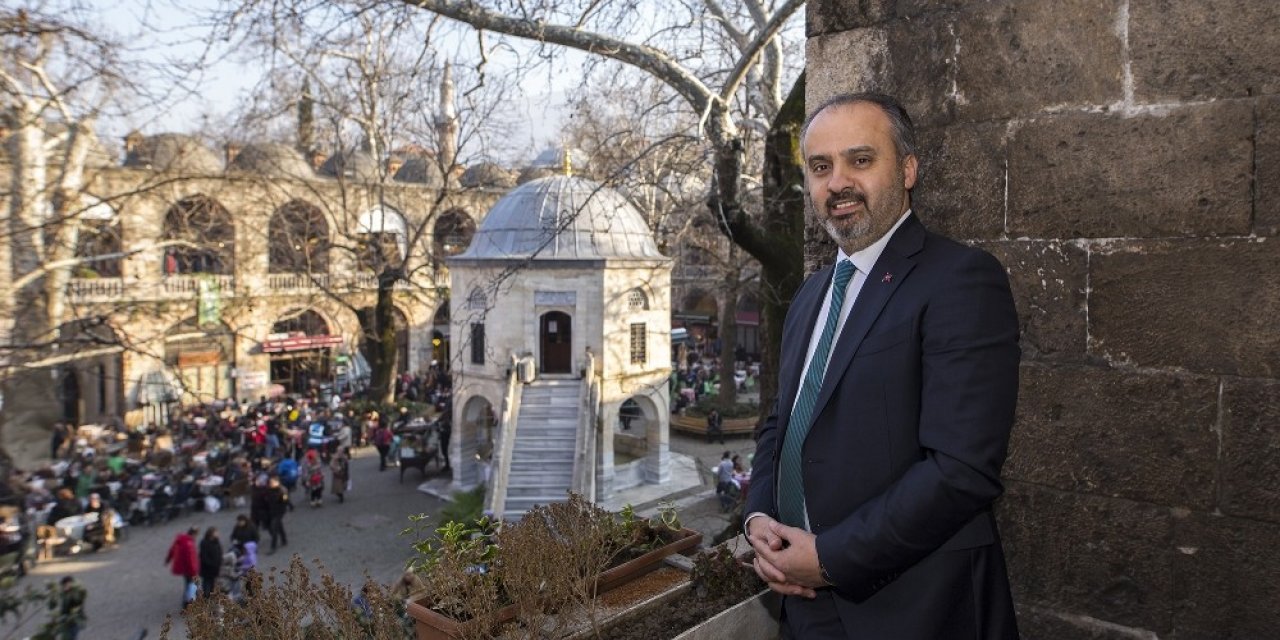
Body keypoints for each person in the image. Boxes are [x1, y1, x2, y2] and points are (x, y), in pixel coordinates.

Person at [744, 93, 1020, 639]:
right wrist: (759, 523)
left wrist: (827, 558)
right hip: (801, 606)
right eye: (821, 167)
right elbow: (782, 423)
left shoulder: (960, 279)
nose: (838, 182)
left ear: (909, 169)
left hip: (914, 607)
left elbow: (961, 470)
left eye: (860, 160)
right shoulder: (810, 295)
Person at [164, 526, 200, 608]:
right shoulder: (189, 544)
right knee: (191, 585)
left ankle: (187, 602)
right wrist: (195, 571)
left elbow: (172, 550)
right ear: (194, 534)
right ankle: (188, 603)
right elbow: (190, 559)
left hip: (183, 568)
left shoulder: (181, 539)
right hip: (189, 569)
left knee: (188, 584)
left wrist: (168, 560)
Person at [48, 575, 87, 640]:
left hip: (73, 622)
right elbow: (55, 606)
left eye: (65, 585)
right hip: (65, 622)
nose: (64, 587)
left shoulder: (76, 594)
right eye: (63, 585)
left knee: (71, 637)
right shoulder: (65, 594)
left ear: (71, 584)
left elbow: (78, 605)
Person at [265, 476, 290, 554]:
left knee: (274, 527)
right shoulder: (268, 490)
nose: (271, 484)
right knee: (279, 525)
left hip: (279, 511)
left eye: (273, 482)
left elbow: (285, 501)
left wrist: (282, 499)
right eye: (271, 482)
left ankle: (273, 546)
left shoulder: (282, 490)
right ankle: (284, 540)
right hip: (272, 510)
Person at [198, 526, 223, 597]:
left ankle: (210, 596)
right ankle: (205, 597)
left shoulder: (216, 541)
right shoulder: (204, 543)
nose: (218, 534)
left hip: (215, 569)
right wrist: (212, 564)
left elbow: (219, 551)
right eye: (216, 532)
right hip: (207, 569)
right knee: (206, 583)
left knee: (212, 584)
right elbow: (204, 557)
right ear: (211, 534)